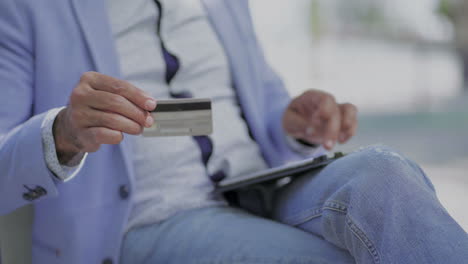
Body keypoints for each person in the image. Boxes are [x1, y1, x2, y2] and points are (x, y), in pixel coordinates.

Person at [0, 0, 466, 263]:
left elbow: (265, 104)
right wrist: (63, 133)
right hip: (151, 217)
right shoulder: (27, 9)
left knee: (385, 172)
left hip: (261, 186)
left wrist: (295, 124)